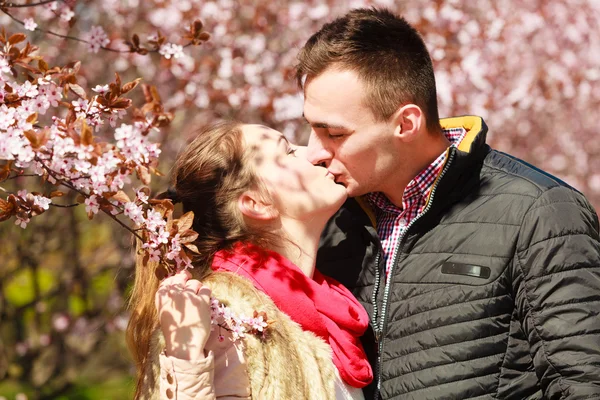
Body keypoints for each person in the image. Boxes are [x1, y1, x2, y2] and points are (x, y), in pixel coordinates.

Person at [295, 7, 600, 400]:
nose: (313, 151)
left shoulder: (538, 211)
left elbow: (584, 383)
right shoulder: (330, 220)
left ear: (406, 123)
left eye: (334, 132)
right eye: (310, 125)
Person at [126, 121, 373, 399]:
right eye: (288, 152)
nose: (314, 154)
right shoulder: (223, 318)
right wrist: (187, 357)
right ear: (257, 203)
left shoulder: (328, 308)